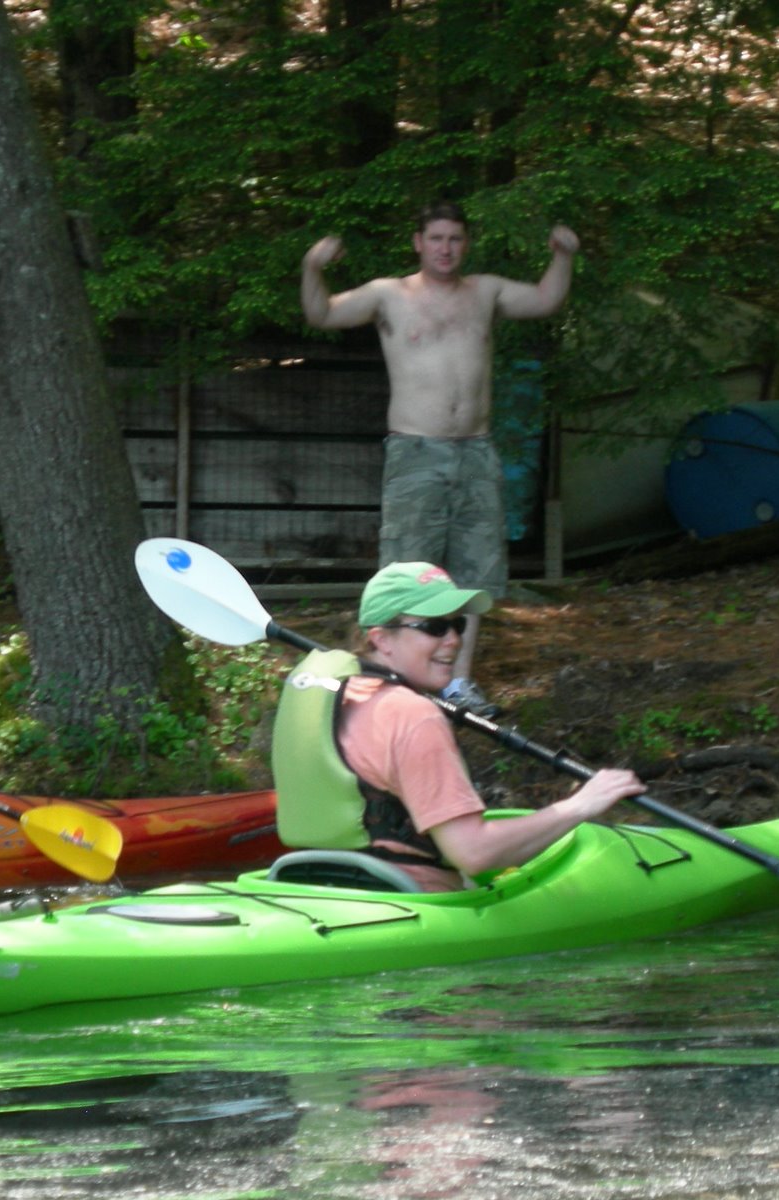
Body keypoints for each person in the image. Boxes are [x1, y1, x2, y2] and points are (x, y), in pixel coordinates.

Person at [301, 201, 581, 716]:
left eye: (454, 239)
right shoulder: (389, 295)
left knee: (476, 575)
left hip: (476, 449)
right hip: (416, 451)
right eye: (436, 238)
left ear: (465, 244)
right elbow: (321, 314)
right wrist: (313, 267)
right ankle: (397, 683)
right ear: (418, 242)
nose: (446, 248)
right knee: (407, 570)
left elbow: (545, 298)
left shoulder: (485, 291)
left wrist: (563, 255)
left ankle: (457, 685)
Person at [271, 561, 645, 892]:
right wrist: (581, 805)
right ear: (380, 639)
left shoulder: (331, 695)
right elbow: (475, 853)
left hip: (313, 887)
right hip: (410, 901)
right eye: (434, 627)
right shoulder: (414, 715)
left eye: (457, 623)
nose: (453, 639)